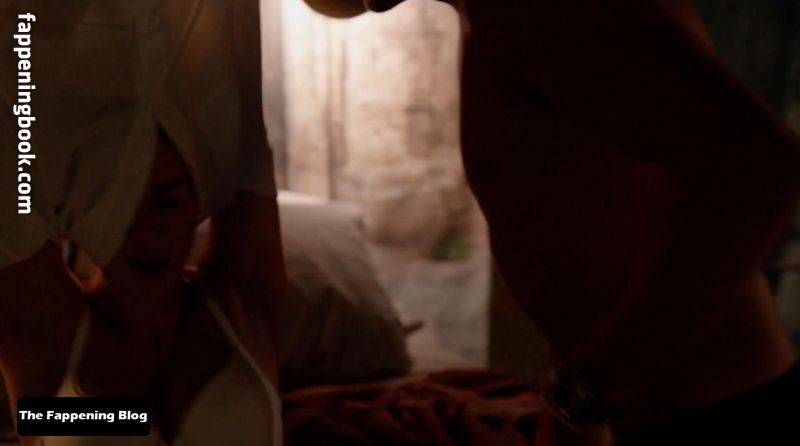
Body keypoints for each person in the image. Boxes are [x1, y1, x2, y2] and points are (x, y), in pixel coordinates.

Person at [305, 0, 800, 444]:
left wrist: (589, 386)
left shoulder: (542, 10)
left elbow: (763, 170)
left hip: (716, 412)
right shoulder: (500, 15)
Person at [0, 0, 285, 443]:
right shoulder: (42, 338)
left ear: (199, 200)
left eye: (166, 202)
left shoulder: (243, 298)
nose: (146, 231)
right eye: (114, 208)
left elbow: (245, 114)